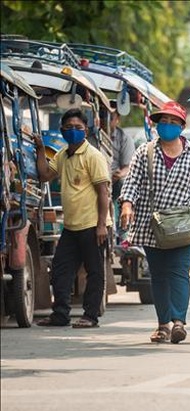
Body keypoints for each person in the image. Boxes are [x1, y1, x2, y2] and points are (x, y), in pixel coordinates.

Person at [118, 101, 190, 344]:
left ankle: (179, 322)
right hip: (151, 226)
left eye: (173, 122)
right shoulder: (144, 152)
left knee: (179, 273)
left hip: (183, 227)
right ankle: (163, 325)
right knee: (158, 275)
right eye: (163, 122)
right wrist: (127, 204)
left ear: (182, 126)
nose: (167, 126)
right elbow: (132, 183)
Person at [34, 108, 111, 328]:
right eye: (68, 128)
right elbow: (45, 175)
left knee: (94, 272)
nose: (73, 131)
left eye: (78, 128)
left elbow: (103, 192)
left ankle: (90, 316)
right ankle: (60, 314)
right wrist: (40, 149)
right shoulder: (62, 155)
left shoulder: (93, 156)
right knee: (60, 269)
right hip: (71, 226)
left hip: (92, 225)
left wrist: (101, 225)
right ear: (62, 130)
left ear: (86, 130)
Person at [106, 102, 135, 235]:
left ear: (117, 119)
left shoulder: (124, 138)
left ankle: (123, 233)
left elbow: (128, 167)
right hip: (96, 179)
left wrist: (117, 175)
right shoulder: (90, 136)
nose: (105, 120)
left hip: (115, 181)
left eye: (110, 117)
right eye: (102, 115)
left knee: (124, 185)